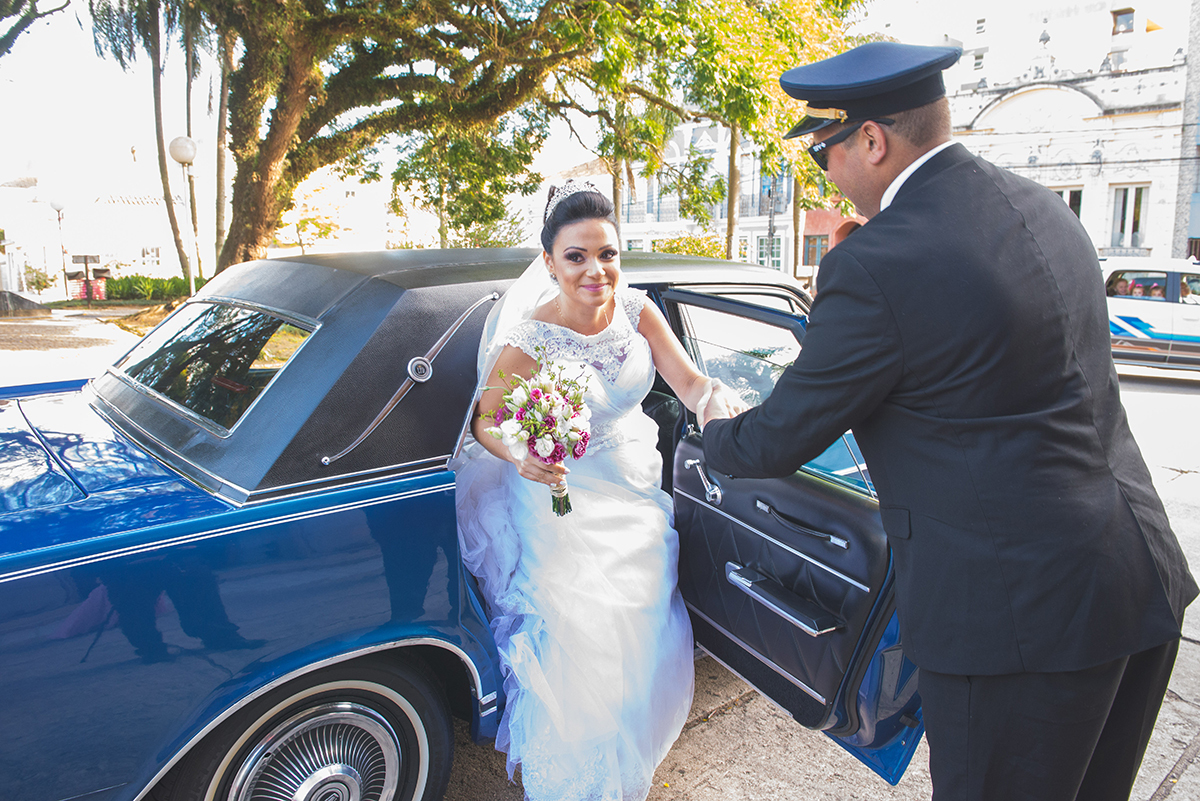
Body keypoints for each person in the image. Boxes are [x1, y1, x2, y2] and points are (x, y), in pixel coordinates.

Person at [699, 41, 1196, 801]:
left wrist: (708, 419)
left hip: (1019, 626)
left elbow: (777, 437)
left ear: (871, 140)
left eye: (824, 151)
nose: (824, 173)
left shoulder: (875, 263)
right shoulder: (1040, 206)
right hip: (1137, 577)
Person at [454, 181, 745, 801]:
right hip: (560, 501)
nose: (596, 270)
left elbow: (691, 386)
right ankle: (580, 784)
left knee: (643, 635)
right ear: (550, 264)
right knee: (581, 641)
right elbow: (487, 421)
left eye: (607, 254)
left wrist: (722, 417)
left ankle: (626, 766)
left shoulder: (639, 312)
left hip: (636, 495)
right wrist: (522, 453)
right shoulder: (533, 337)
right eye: (577, 256)